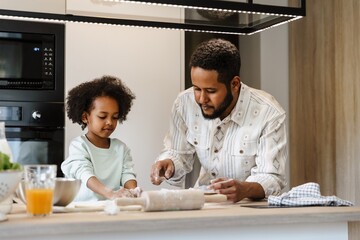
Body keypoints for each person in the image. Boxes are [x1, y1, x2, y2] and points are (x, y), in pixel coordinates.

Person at [150, 38, 287, 203]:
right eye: (196, 88)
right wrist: (169, 163)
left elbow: (272, 177)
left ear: (234, 84)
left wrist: (244, 189)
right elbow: (178, 153)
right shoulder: (184, 104)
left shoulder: (269, 112)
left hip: (250, 209)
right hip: (203, 204)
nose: (201, 99)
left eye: (210, 90)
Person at [62, 75, 140, 202]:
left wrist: (133, 193)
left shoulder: (121, 148)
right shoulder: (79, 145)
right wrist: (110, 193)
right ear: (85, 117)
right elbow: (84, 173)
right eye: (102, 117)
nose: (109, 122)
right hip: (83, 210)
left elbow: (128, 175)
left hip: (111, 208)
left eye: (114, 117)